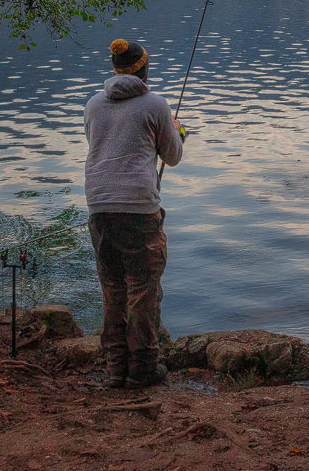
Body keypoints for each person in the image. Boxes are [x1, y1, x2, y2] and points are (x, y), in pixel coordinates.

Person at [83, 37, 184, 389]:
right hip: (138, 210)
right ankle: (142, 369)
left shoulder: (93, 105)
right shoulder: (155, 104)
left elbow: (100, 147)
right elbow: (172, 156)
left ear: (115, 71)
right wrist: (178, 131)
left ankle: (115, 369)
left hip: (98, 205)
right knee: (143, 289)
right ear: (144, 71)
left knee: (112, 287)